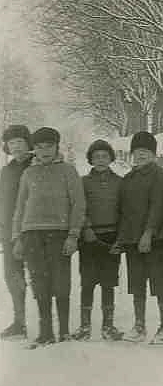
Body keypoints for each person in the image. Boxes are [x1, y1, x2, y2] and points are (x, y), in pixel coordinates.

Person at [12, 127, 85, 348]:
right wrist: (17, 238)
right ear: (34, 149)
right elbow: (20, 206)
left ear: (57, 147)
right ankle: (45, 332)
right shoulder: (28, 174)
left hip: (59, 233)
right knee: (39, 281)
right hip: (31, 234)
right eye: (40, 146)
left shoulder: (68, 171)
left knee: (61, 281)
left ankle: (63, 331)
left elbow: (78, 204)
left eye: (49, 146)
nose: (44, 151)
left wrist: (73, 235)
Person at [114, 131, 163, 344]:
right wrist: (122, 239)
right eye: (137, 152)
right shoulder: (128, 178)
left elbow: (158, 207)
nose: (141, 156)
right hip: (132, 240)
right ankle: (139, 325)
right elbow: (123, 211)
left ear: (154, 154)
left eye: (146, 152)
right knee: (136, 284)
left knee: (158, 283)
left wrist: (148, 233)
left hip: (153, 240)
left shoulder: (160, 176)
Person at [72, 140, 124, 341]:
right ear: (90, 160)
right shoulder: (83, 182)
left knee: (108, 283)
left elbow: (124, 212)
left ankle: (108, 326)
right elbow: (79, 207)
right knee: (87, 282)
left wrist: (120, 238)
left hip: (111, 238)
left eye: (104, 156)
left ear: (111, 158)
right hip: (89, 238)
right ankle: (85, 327)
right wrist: (86, 228)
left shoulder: (120, 182)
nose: (100, 160)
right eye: (96, 157)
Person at [0, 125, 33, 339]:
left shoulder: (38, 166)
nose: (16, 147)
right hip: (9, 232)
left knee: (40, 277)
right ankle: (19, 321)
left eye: (20, 142)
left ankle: (46, 322)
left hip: (34, 230)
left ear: (28, 144)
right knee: (13, 277)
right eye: (12, 144)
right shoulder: (5, 171)